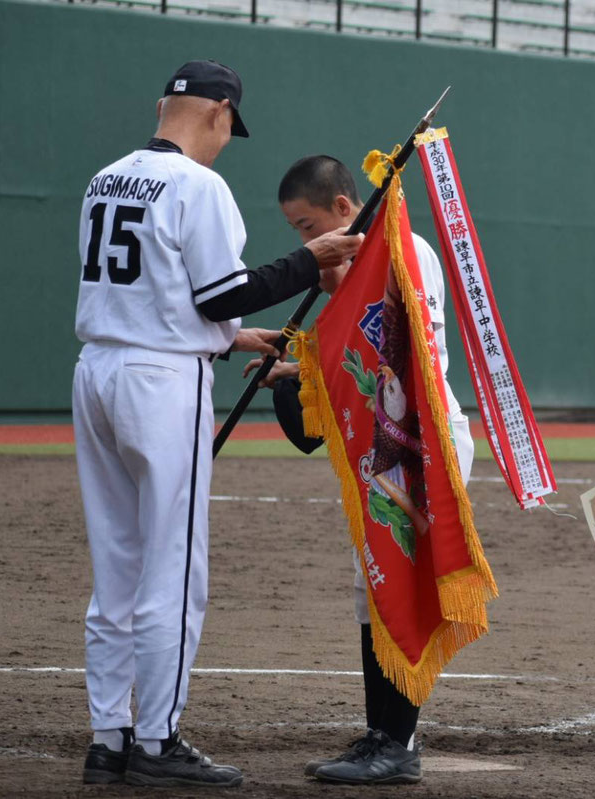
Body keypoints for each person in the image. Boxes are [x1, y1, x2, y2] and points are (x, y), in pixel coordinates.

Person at [74, 61, 362, 788]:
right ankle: (158, 739)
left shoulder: (105, 177)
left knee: (117, 567)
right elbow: (219, 293)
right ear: (219, 113)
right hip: (161, 384)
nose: (229, 139)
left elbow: (158, 296)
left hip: (99, 371)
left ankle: (108, 737)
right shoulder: (199, 186)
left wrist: (236, 335)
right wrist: (312, 258)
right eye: (232, 125)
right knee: (173, 567)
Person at [245, 155, 474, 785]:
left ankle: (397, 745)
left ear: (345, 209)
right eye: (296, 231)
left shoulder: (404, 251)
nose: (305, 241)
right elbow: (358, 358)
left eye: (308, 225)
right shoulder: (358, 265)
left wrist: (339, 288)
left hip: (420, 442)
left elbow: (403, 355)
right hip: (386, 443)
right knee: (371, 589)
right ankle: (383, 734)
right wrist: (299, 371)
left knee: (395, 582)